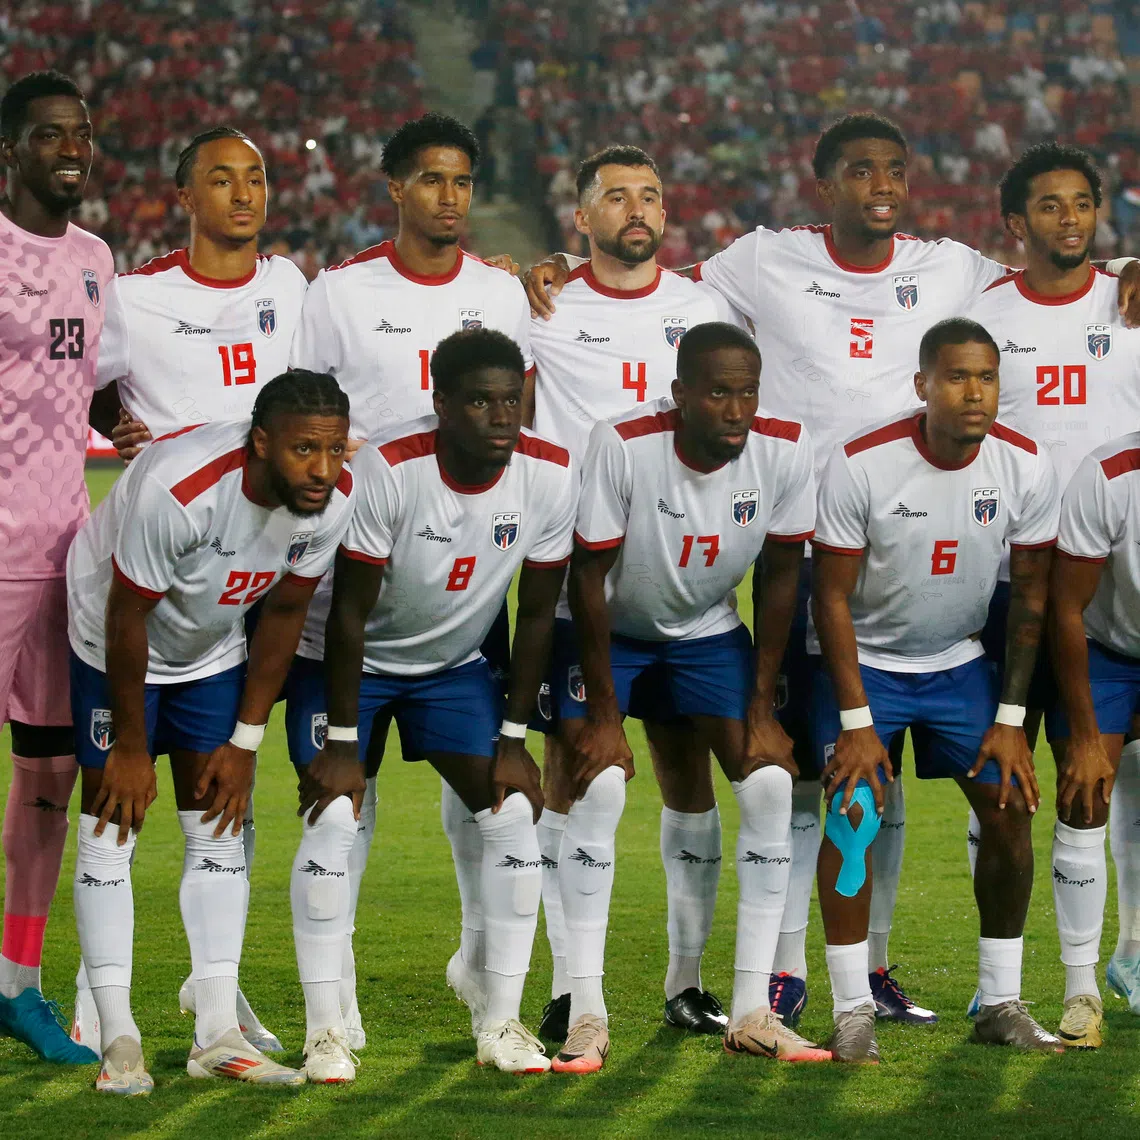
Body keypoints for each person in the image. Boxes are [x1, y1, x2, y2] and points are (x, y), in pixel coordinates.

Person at [522, 114, 1140, 1026]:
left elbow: (1054, 268)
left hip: (949, 536)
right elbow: (653, 282)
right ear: (827, 185)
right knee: (819, 774)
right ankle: (779, 972)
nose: (880, 185)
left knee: (910, 773)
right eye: (860, 171)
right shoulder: (764, 259)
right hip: (805, 546)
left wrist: (1127, 269)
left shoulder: (953, 268)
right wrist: (534, 270)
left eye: (895, 169)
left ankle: (881, 969)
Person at [288, 112, 531, 1051]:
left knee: (493, 797)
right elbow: (304, 408)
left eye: (464, 181)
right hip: (345, 578)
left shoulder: (501, 295)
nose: (451, 197)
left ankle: (483, 971)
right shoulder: (341, 293)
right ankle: (331, 1003)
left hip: (457, 591)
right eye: (432, 179)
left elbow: (519, 405)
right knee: (345, 804)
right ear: (394, 187)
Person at [73, 123, 306, 1056]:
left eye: (255, 177)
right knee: (114, 802)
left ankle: (220, 990)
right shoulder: (134, 296)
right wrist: (121, 426)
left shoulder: (290, 287)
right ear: (185, 194)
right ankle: (104, 997)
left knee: (221, 800)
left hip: (238, 571)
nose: (244, 194)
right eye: (221, 178)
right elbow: (79, 384)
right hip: (148, 554)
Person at [288, 328, 575, 1078]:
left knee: (513, 815)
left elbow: (537, 612)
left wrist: (515, 737)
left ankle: (503, 1023)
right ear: (441, 403)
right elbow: (349, 613)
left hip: (451, 668)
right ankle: (325, 1028)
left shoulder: (549, 474)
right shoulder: (389, 467)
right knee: (334, 818)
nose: (500, 416)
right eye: (480, 401)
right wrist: (344, 745)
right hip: (344, 660)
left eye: (512, 400)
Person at [65, 371, 356, 1093]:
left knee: (219, 825)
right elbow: (126, 616)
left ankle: (217, 1033)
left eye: (335, 449)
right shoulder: (181, 488)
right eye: (303, 450)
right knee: (112, 825)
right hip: (110, 640)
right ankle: (117, 1037)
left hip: (210, 648)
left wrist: (247, 742)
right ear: (261, 443)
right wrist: (131, 750)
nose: (323, 470)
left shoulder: (331, 500)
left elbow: (285, 613)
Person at [553, 321, 825, 1071]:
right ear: (679, 397)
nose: (735, 410)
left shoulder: (785, 447)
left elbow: (778, 577)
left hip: (706, 631)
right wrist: (607, 719)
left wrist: (764, 708)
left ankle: (745, 1008)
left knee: (770, 784)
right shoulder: (625, 442)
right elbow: (588, 578)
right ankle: (584, 1010)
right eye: (717, 393)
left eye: (746, 392)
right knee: (601, 787)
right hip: (608, 625)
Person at [526, 145, 748, 1042]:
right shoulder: (539, 301)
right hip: (578, 583)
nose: (636, 208)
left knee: (688, 778)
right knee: (576, 780)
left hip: (687, 582)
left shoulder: (703, 307)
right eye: (615, 196)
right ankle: (567, 982)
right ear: (581, 219)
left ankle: (685, 982)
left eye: (650, 194)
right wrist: (526, 271)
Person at [810, 318, 1060, 1063]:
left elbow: (1034, 602)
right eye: (956, 376)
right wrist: (856, 722)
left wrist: (1012, 719)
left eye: (986, 376)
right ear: (922, 385)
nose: (974, 391)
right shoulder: (862, 464)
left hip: (957, 663)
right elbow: (830, 601)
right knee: (853, 813)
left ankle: (1002, 1001)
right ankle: (852, 1010)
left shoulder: (1025, 464)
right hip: (870, 662)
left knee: (1010, 805)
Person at [964, 142, 1140, 1047]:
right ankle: (996, 981)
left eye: (1083, 204)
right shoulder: (983, 311)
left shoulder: (1130, 296)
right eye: (1050, 205)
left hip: (1111, 580)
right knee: (1001, 783)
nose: (1069, 219)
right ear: (1016, 224)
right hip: (1007, 574)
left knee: (1088, 784)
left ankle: (1101, 975)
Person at [0, 69, 115, 1065]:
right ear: (12, 150)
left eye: (80, 132)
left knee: (48, 776)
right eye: (48, 134)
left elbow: (87, 393)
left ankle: (17, 986)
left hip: (60, 558)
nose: (70, 147)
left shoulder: (95, 258)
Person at [1048, 434, 1140, 1046]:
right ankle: (1080, 991)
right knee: (1086, 798)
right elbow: (1066, 608)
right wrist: (1084, 735)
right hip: (1107, 651)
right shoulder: (1108, 475)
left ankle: (1130, 955)